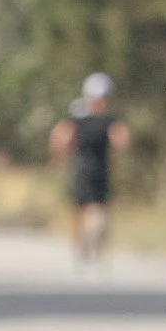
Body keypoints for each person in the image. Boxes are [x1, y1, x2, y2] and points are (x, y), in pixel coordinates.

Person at [49, 75, 127, 261]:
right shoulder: (106, 121)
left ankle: (84, 246)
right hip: (94, 169)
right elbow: (122, 140)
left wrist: (57, 156)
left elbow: (61, 137)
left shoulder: (79, 119)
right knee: (92, 208)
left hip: (85, 169)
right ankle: (88, 246)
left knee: (83, 208)